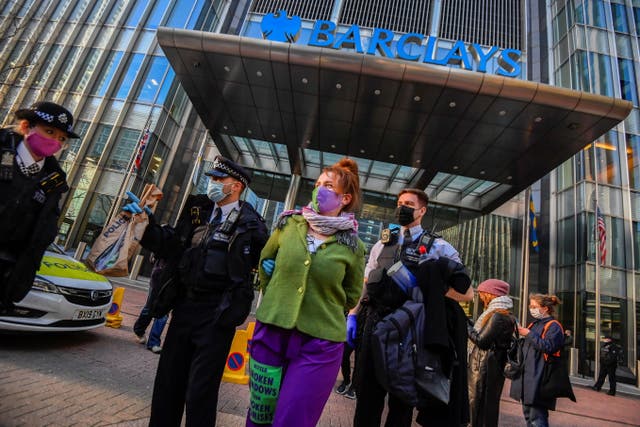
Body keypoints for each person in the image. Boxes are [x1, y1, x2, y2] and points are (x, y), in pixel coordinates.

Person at [129, 155, 268, 426]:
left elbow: (263, 265)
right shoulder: (197, 209)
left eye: (219, 179)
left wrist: (268, 268)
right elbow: (173, 247)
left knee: (200, 392)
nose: (213, 184)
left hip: (216, 316)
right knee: (168, 384)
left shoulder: (253, 225)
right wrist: (148, 226)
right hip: (184, 308)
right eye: (212, 179)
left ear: (236, 186)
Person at [246, 157, 365, 427]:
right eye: (318, 184)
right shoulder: (288, 225)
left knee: (292, 419)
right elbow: (266, 265)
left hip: (320, 343)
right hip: (272, 331)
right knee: (260, 416)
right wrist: (278, 292)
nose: (319, 190)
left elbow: (351, 295)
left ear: (344, 198)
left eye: (328, 186)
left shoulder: (354, 246)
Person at [350, 188, 473, 427]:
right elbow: (365, 283)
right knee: (367, 397)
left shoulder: (439, 247)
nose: (401, 208)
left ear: (422, 210)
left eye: (408, 203)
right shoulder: (382, 243)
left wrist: (431, 288)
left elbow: (467, 293)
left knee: (401, 400)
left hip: (408, 332)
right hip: (375, 326)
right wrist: (353, 315)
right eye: (399, 203)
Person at [0, 101, 77, 310]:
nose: (55, 141)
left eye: (61, 138)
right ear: (26, 126)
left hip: (9, 273)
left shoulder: (54, 181)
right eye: (49, 131)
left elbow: (44, 230)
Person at [467, 278, 516, 427]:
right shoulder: (505, 314)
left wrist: (466, 327)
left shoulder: (497, 316)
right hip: (491, 367)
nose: (481, 297)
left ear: (490, 294)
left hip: (484, 367)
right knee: (486, 407)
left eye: (482, 293)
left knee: (477, 406)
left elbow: (482, 341)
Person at [510, 293, 564, 427]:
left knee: (537, 418)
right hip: (527, 378)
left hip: (539, 378)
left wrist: (528, 334)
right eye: (530, 305)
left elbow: (549, 347)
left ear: (545, 308)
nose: (531, 308)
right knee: (529, 416)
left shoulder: (554, 326)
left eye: (534, 306)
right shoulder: (534, 324)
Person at [133, 255, 168, 354]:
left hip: (172, 281)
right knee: (149, 308)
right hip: (159, 276)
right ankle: (139, 330)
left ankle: (153, 343)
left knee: (164, 313)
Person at [335, 317, 356, 399]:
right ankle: (346, 381)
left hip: (366, 320)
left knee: (360, 359)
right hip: (351, 319)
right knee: (344, 354)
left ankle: (354, 385)